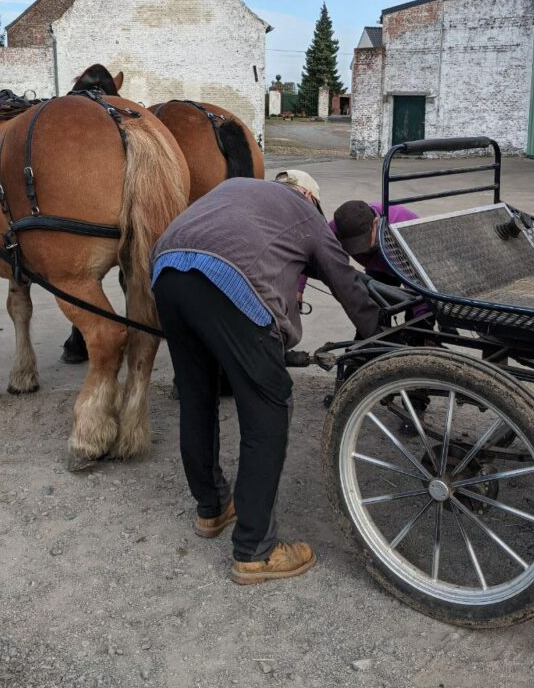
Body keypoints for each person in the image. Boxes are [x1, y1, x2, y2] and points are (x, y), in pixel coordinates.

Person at [151, 171, 379, 585]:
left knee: (197, 397)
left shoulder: (236, 187)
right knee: (268, 409)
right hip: (228, 282)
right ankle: (255, 550)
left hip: (167, 270)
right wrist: (378, 336)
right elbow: (345, 282)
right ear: (309, 196)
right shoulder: (305, 213)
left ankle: (213, 507)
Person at [296, 197, 418, 301]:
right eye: (352, 244)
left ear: (375, 224)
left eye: (361, 242)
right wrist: (298, 289)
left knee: (418, 310)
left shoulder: (401, 231)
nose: (358, 251)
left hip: (410, 259)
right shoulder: (340, 226)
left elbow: (417, 286)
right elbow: (311, 251)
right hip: (378, 266)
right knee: (375, 304)